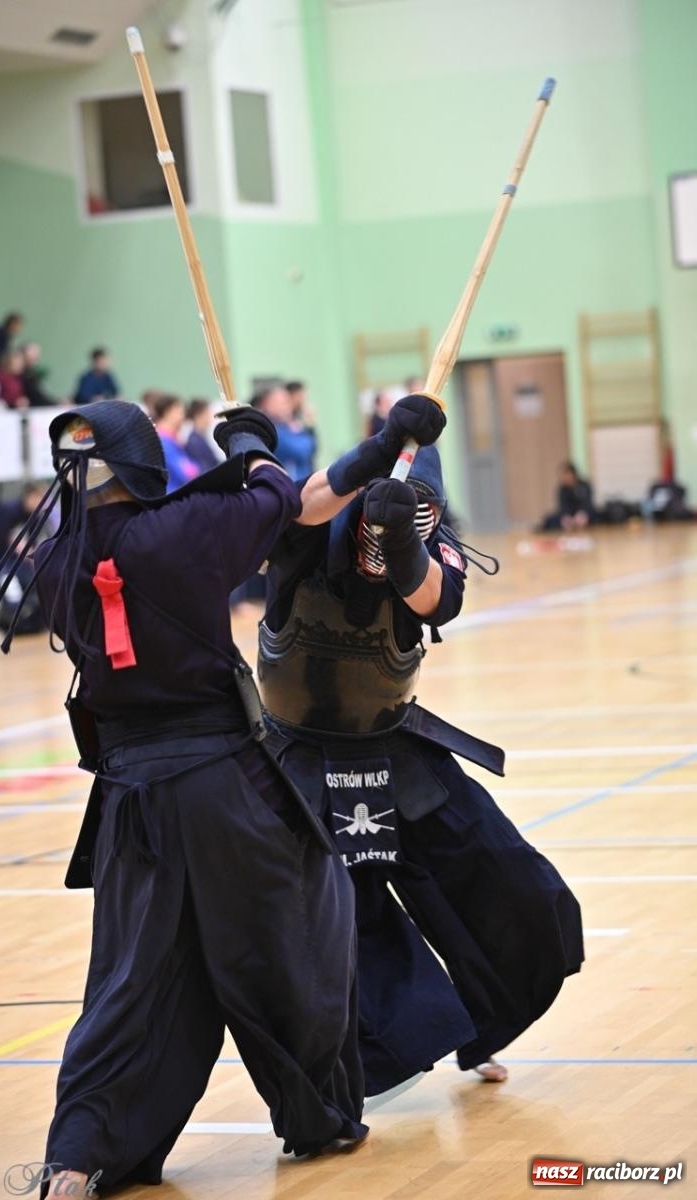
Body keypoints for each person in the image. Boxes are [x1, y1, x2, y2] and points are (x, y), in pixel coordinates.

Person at [0, 399, 367, 1198]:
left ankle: (78, 1158)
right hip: (223, 786)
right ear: (141, 458)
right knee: (296, 932)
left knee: (128, 979)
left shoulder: (57, 557)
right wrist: (251, 443)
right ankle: (317, 1111)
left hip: (129, 801)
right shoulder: (183, 532)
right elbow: (277, 499)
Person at [257, 395, 585, 1095]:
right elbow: (300, 503)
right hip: (302, 761)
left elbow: (434, 599)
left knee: (511, 888)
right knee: (341, 925)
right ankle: (349, 1076)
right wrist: (380, 454)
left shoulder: (430, 544)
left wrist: (403, 540)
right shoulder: (307, 535)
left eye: (425, 515)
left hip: (394, 747)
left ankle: (482, 1028)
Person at [252, 383, 317, 480]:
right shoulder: (268, 428)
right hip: (287, 486)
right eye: (284, 402)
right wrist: (305, 428)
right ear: (268, 403)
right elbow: (301, 450)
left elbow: (312, 450)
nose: (288, 406)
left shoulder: (284, 425)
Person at [148, 392, 201, 492]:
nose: (183, 416)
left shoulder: (172, 439)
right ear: (168, 412)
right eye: (179, 411)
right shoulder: (163, 442)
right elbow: (185, 474)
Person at [540, 462, 594, 531]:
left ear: (573, 474)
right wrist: (566, 517)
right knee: (549, 518)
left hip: (583, 514)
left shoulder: (584, 485)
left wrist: (582, 514)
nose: (564, 477)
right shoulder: (562, 488)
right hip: (569, 515)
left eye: (566, 474)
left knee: (594, 514)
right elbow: (562, 506)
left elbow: (588, 503)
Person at [184, 398, 221, 474]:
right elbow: (204, 469)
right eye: (207, 413)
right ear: (198, 415)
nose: (210, 417)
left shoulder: (200, 437)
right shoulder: (194, 442)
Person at [20, 343, 58, 407]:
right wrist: (57, 403)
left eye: (36, 356)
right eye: (32, 356)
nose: (35, 359)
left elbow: (40, 396)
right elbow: (36, 397)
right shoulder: (21, 376)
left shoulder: (31, 374)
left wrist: (57, 402)